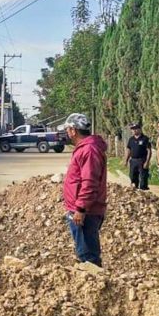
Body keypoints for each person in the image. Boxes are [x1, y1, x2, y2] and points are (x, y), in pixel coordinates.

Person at [61, 113, 108, 267]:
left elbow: (89, 182)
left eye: (68, 129)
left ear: (73, 130)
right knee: (85, 252)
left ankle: (96, 285)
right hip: (82, 209)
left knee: (88, 255)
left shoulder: (89, 150)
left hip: (86, 212)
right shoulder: (85, 148)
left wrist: (80, 209)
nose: (67, 133)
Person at [125, 123, 152, 190]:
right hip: (133, 160)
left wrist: (147, 162)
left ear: (139, 129)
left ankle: (144, 190)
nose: (134, 131)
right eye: (133, 129)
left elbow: (149, 151)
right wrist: (126, 160)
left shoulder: (145, 138)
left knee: (143, 177)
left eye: (136, 129)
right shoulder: (131, 139)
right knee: (132, 177)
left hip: (142, 160)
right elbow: (128, 150)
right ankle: (135, 190)